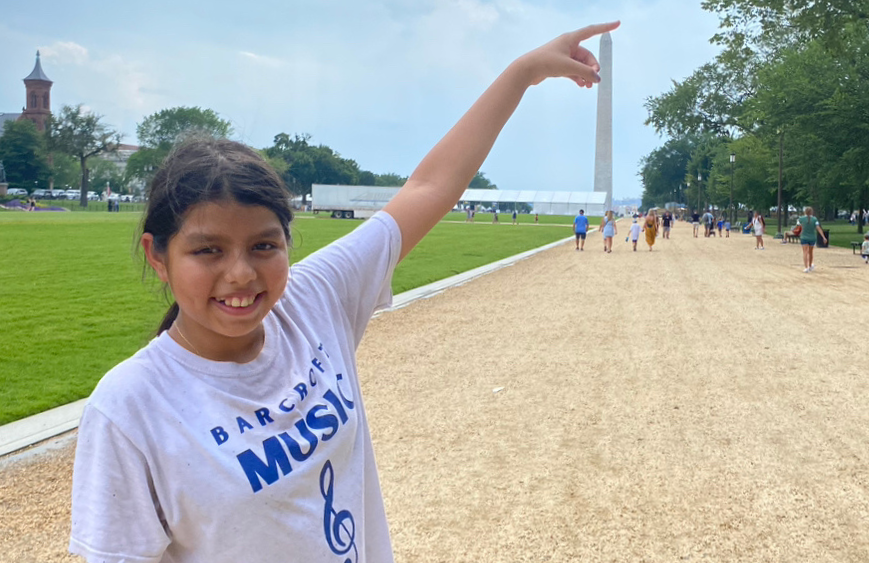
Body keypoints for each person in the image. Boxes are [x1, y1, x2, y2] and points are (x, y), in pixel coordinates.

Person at [68, 21, 620, 563]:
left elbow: (430, 186)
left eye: (264, 246)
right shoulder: (129, 408)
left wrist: (522, 73)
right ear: (157, 256)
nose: (240, 274)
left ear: (287, 242)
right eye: (208, 250)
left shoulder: (313, 302)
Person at [797, 206, 827, 272]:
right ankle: (810, 265)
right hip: (812, 237)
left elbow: (798, 227)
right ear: (811, 212)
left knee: (805, 252)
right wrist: (823, 237)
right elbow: (818, 228)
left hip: (804, 237)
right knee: (810, 252)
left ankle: (806, 267)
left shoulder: (801, 219)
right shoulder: (814, 219)